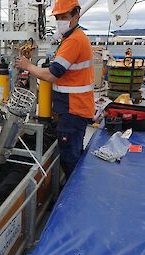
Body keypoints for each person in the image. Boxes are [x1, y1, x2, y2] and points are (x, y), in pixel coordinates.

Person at [15, 0, 95, 180]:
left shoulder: (74, 40)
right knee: (72, 152)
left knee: (70, 157)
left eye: (64, 17)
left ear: (76, 15)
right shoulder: (72, 38)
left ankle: (74, 197)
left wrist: (27, 66)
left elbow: (52, 75)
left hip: (73, 110)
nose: (60, 21)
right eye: (58, 17)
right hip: (74, 108)